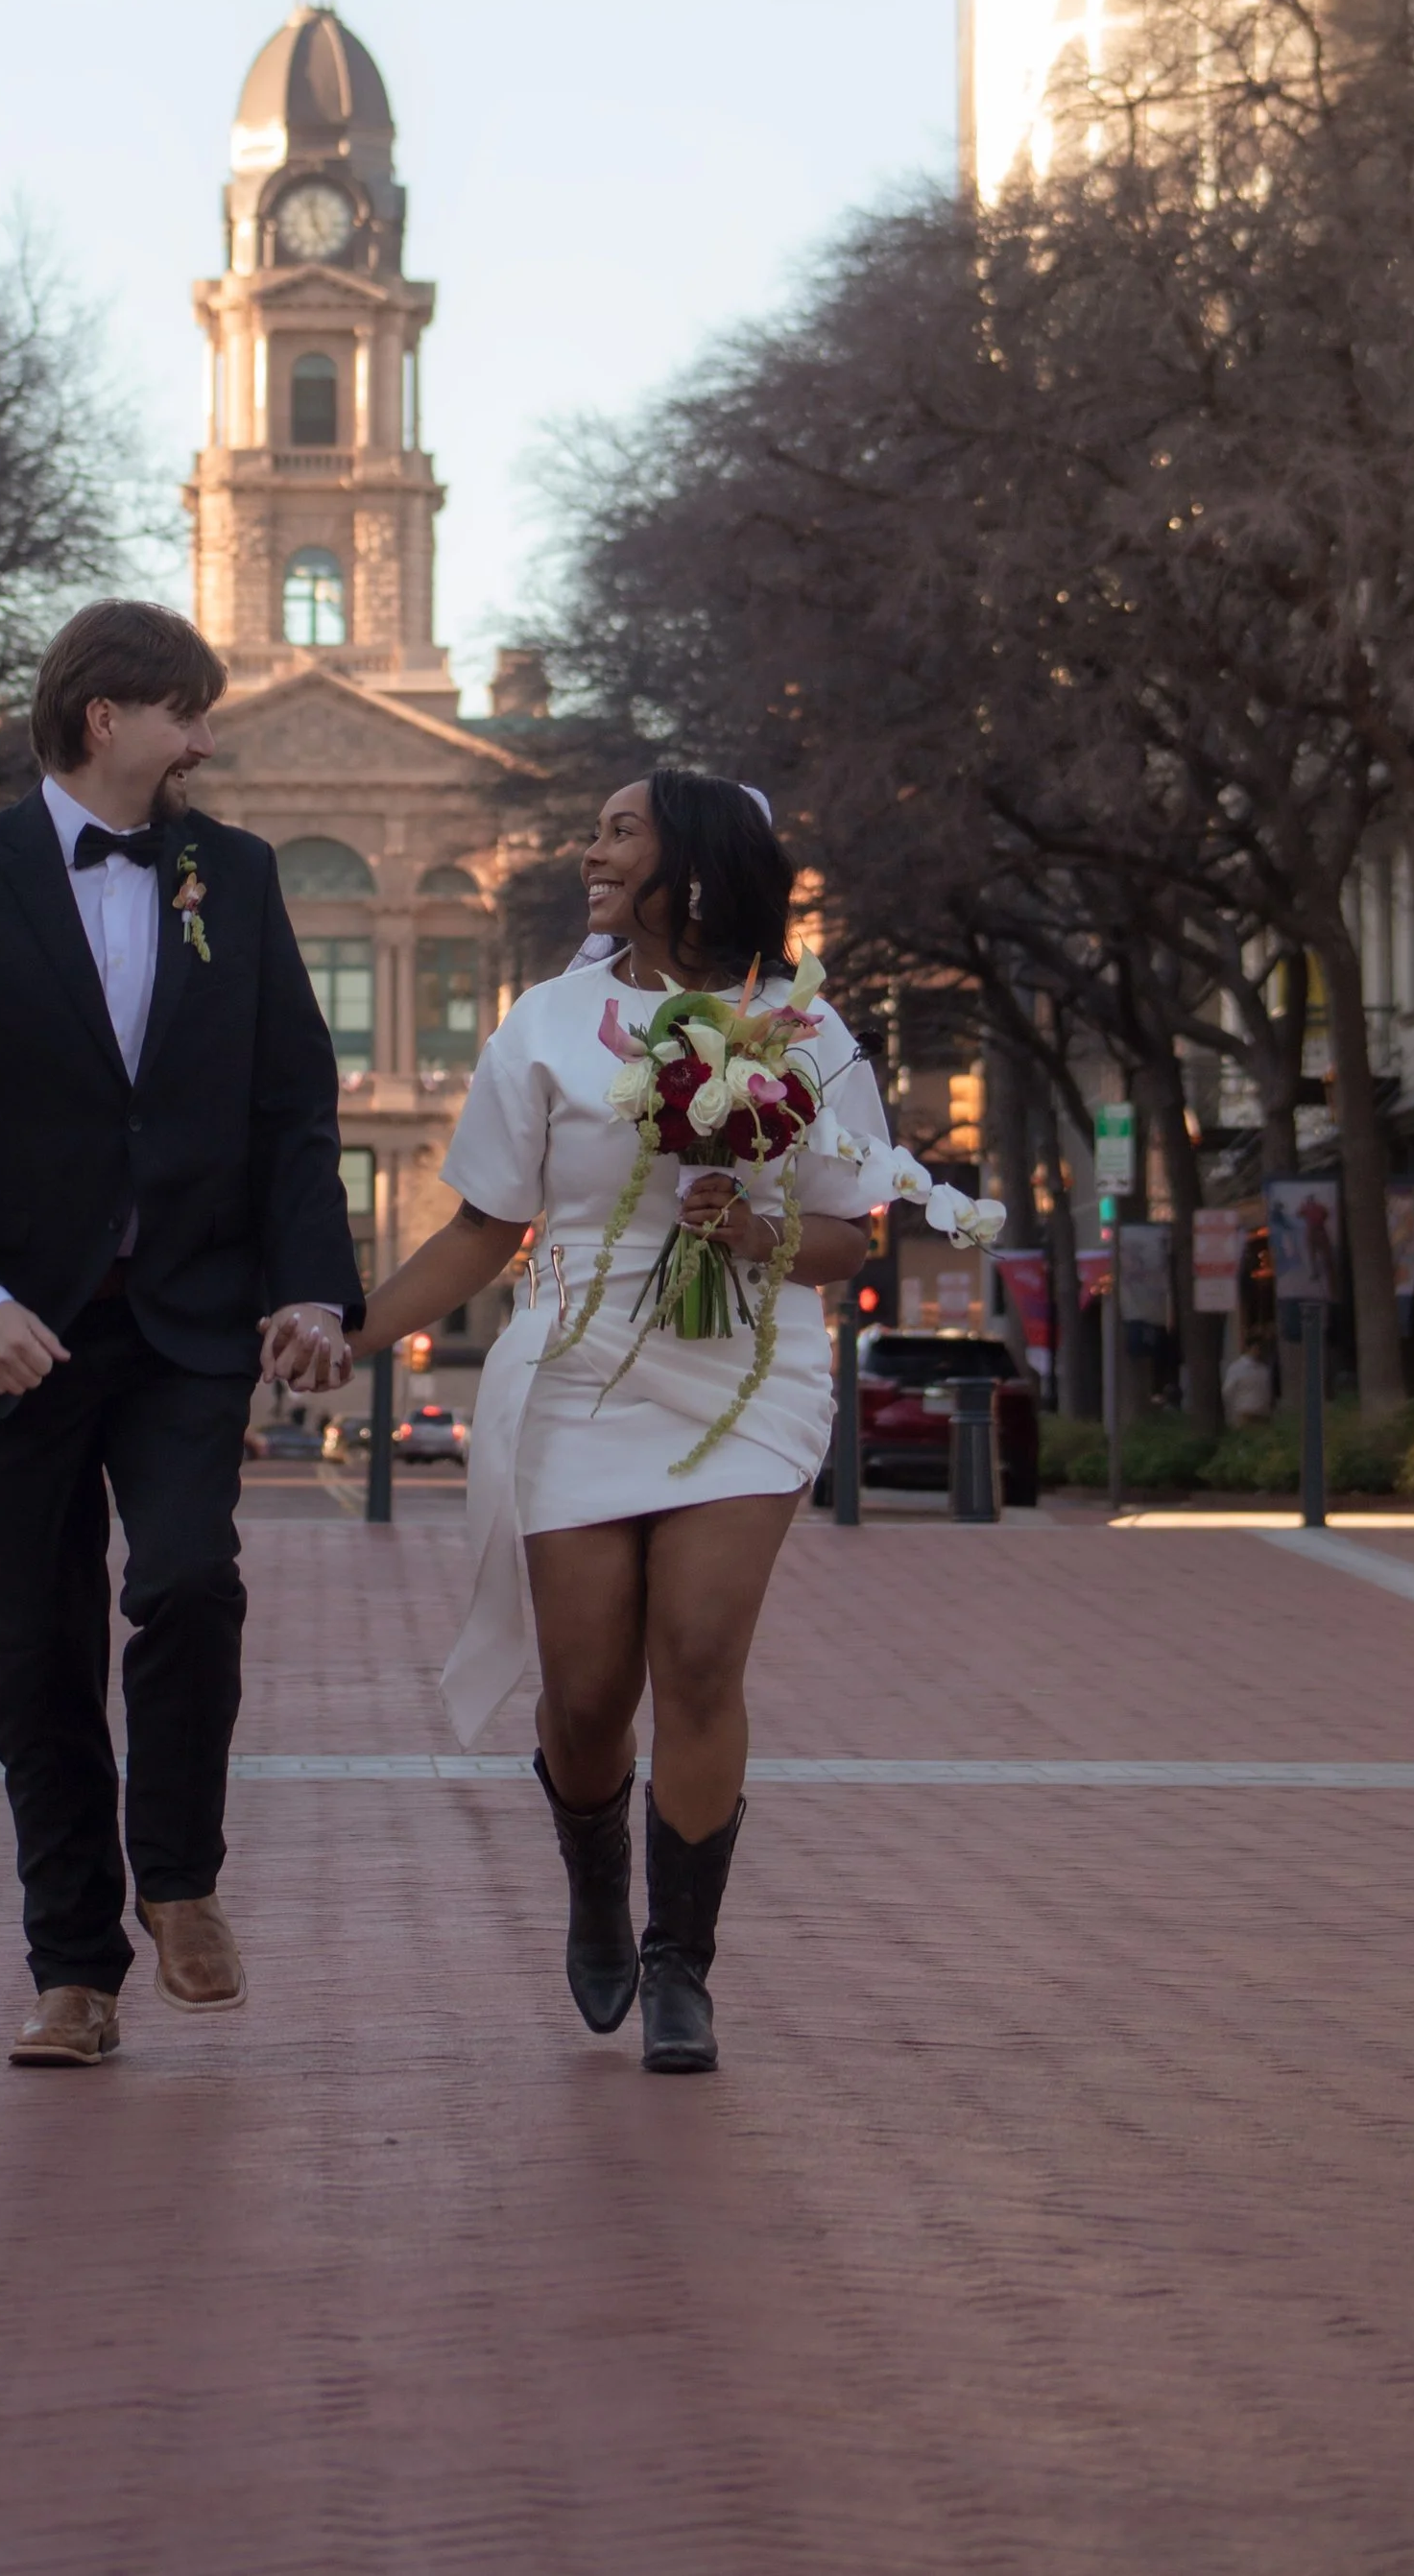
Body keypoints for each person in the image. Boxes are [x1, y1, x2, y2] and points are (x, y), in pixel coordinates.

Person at [0, 601, 362, 2070]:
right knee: (34, 1655)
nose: (206, 738)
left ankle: (180, 1875)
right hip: (15, 1334)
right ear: (102, 720)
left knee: (192, 1581)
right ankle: (73, 1969)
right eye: (185, 712)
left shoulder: (234, 878)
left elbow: (291, 1110)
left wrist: (313, 1288)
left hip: (185, 1324)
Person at [356, 772, 883, 2074]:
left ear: (690, 863)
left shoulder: (807, 1033)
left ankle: (678, 1965)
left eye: (616, 833)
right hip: (582, 1368)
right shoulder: (546, 1024)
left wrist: (757, 1232)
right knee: (589, 1698)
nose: (589, 852)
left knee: (700, 1657)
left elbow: (850, 1236)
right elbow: (487, 1225)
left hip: (749, 1373)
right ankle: (596, 1880)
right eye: (594, 832)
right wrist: (352, 1328)